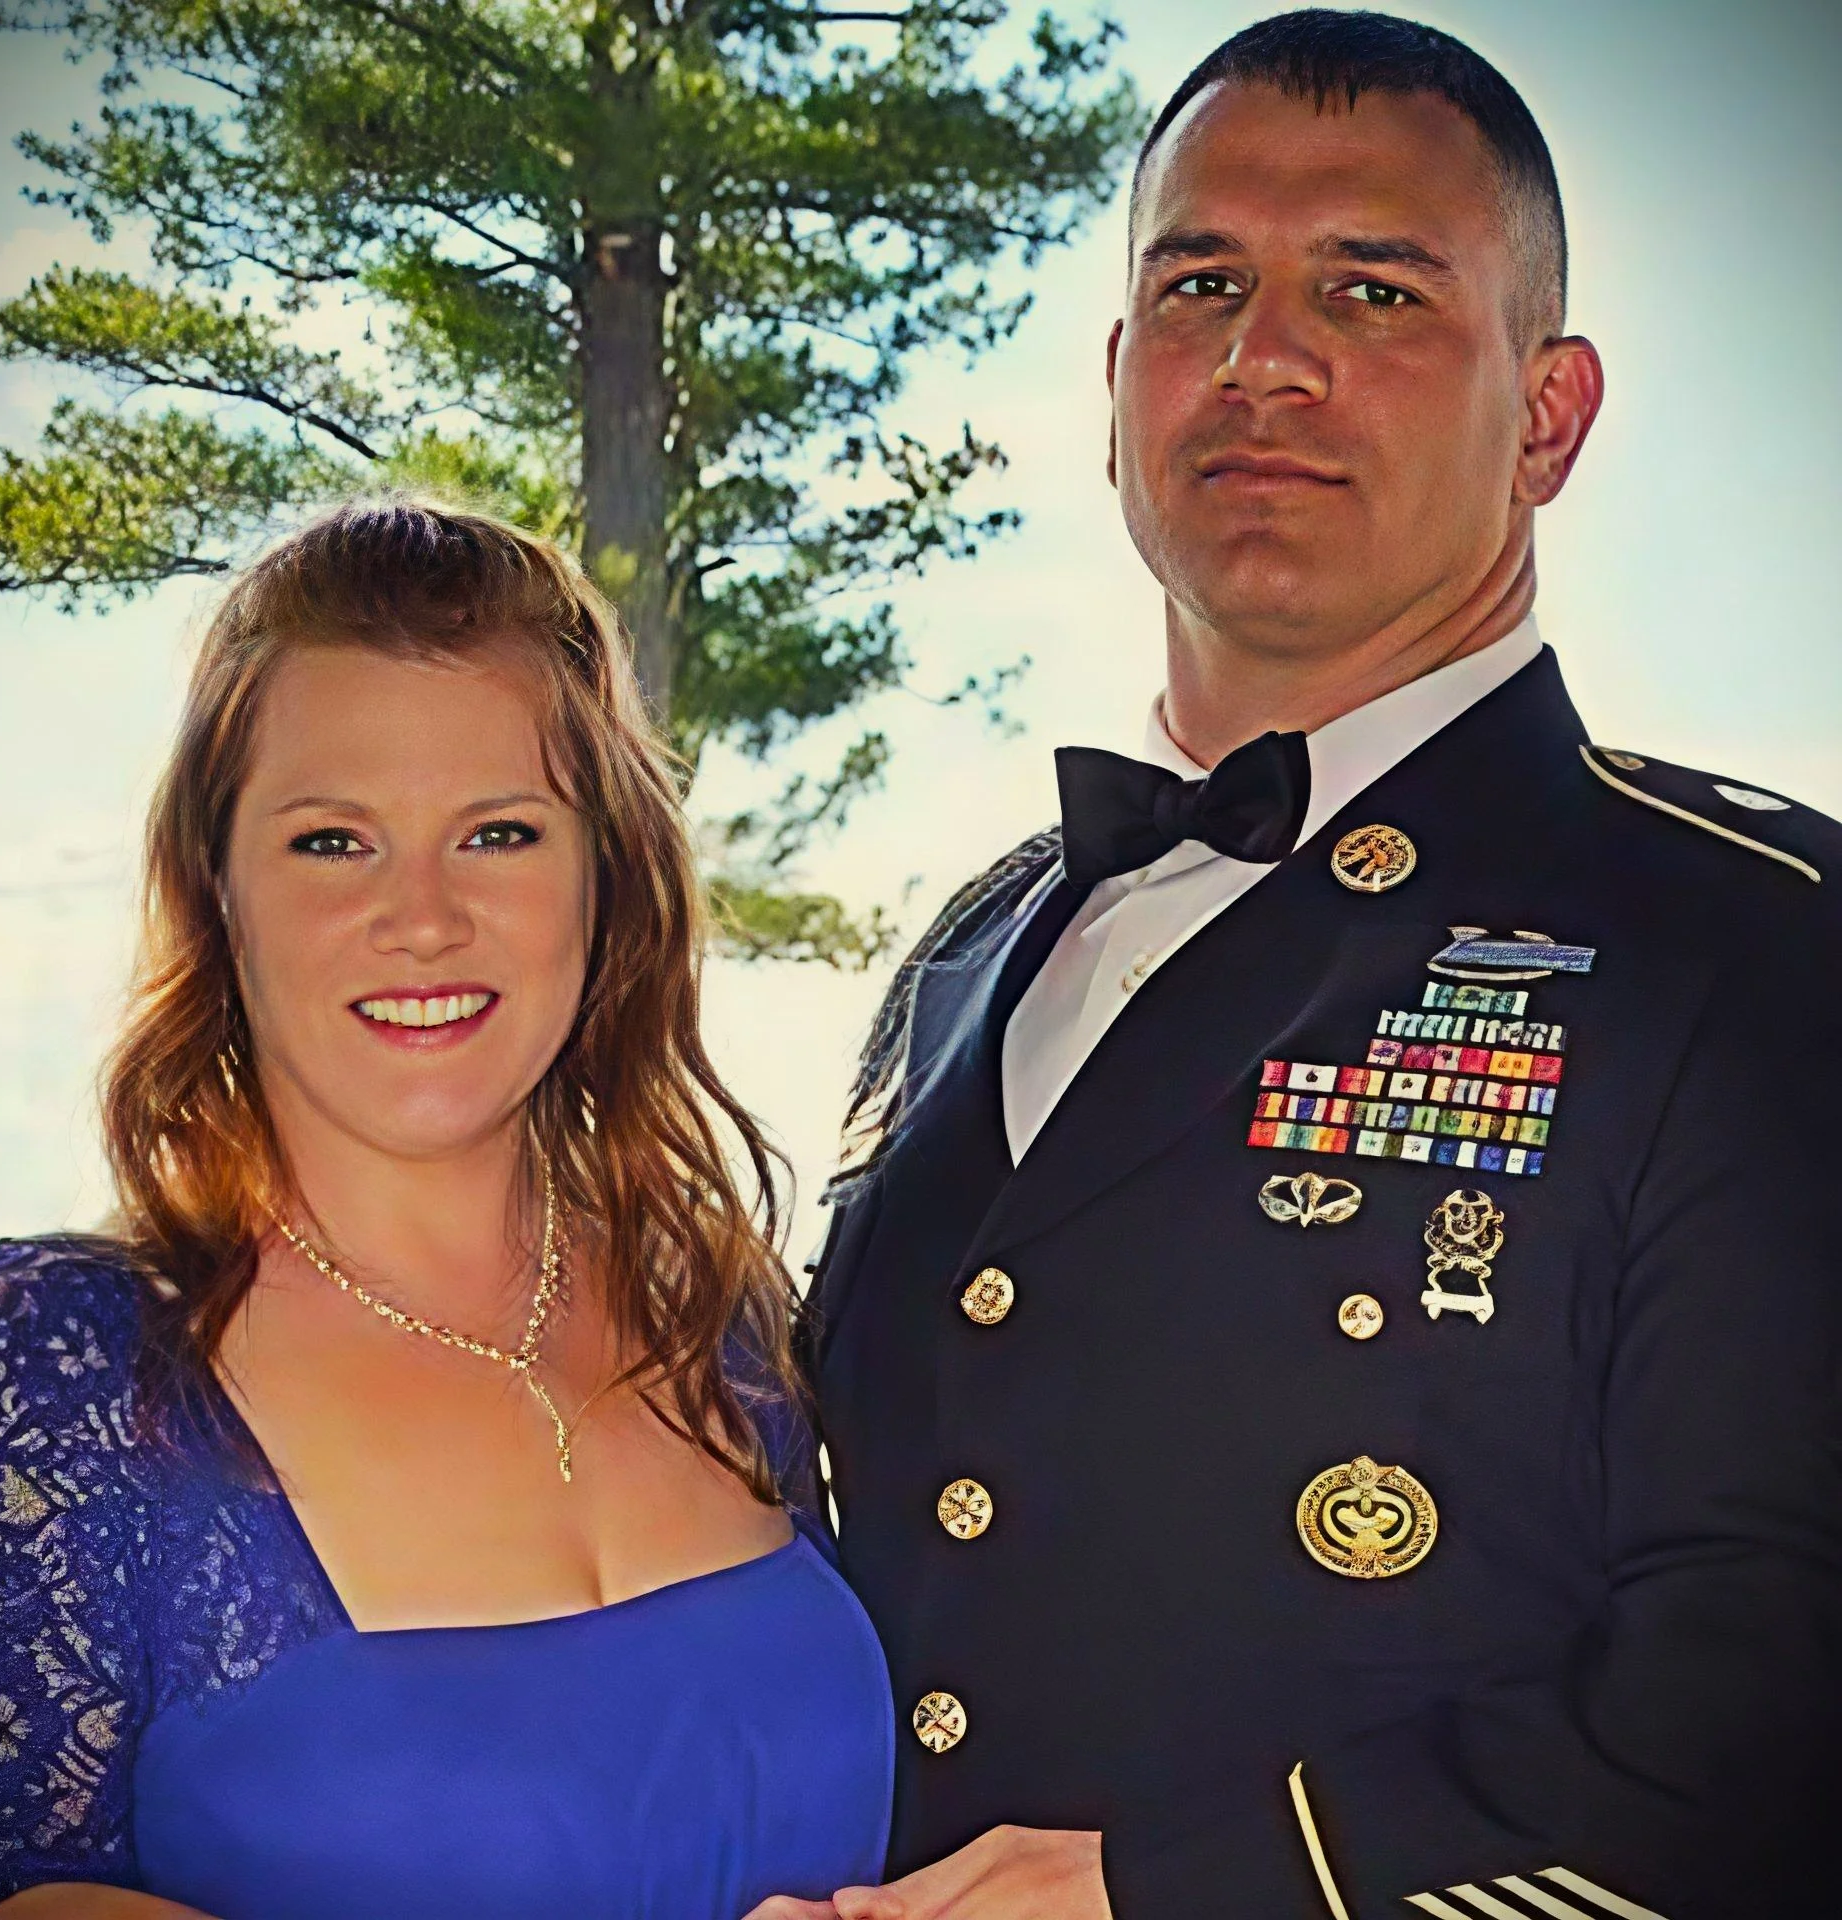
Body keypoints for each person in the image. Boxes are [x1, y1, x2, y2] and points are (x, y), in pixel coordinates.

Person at [758, 11, 1842, 1919]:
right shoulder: (967, 951)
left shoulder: (1758, 948)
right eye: (1202, 284)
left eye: (1374, 290)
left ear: (1551, 412)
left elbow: (1780, 1705)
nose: (1265, 358)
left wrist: (1174, 1892)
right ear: (1118, 385)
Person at [0, 500, 894, 1919]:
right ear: (218, 889)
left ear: (606, 881)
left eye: (499, 833)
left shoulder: (723, 1318)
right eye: (332, 843)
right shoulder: (30, 1382)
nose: (423, 919)